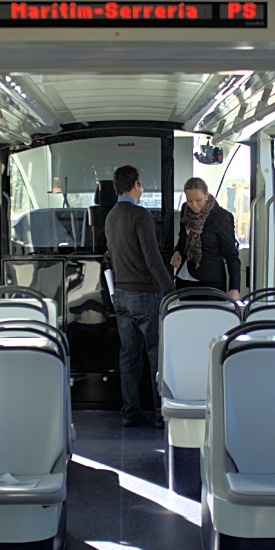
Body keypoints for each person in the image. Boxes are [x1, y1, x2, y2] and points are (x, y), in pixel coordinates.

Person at [105, 164, 175, 428]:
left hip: (120, 295)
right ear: (136, 185)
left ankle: (130, 413)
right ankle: (161, 413)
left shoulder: (111, 216)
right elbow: (153, 259)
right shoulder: (140, 215)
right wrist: (170, 290)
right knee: (156, 354)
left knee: (129, 356)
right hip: (145, 295)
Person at [170, 178, 241, 300]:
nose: (194, 205)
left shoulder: (221, 217)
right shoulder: (185, 211)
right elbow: (183, 237)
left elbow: (232, 255)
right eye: (189, 201)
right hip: (184, 279)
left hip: (211, 281)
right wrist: (178, 251)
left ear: (206, 194)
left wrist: (234, 288)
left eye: (198, 200)